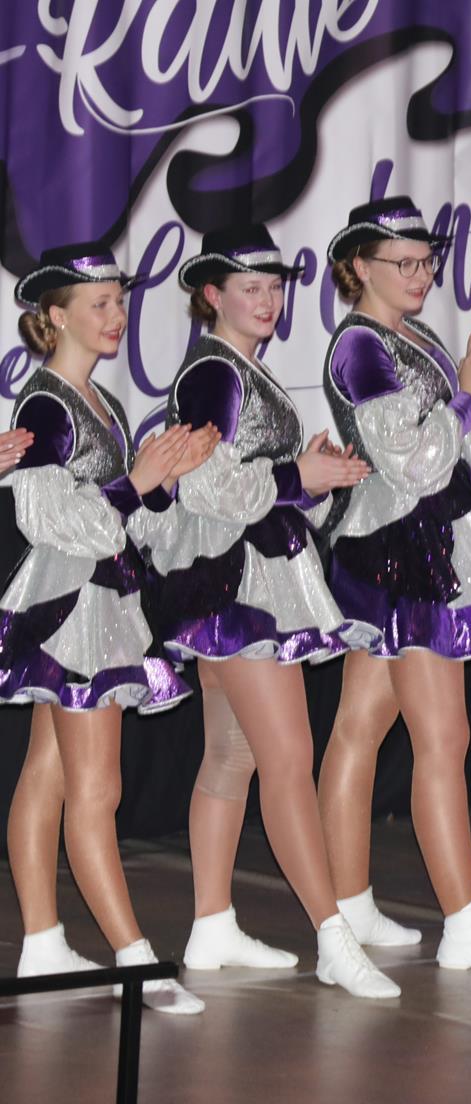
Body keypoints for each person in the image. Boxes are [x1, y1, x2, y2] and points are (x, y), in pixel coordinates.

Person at [144, 224, 399, 995]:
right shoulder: (215, 374)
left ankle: (211, 924)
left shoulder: (238, 370)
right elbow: (209, 486)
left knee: (233, 755)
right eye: (249, 287)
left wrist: (313, 477)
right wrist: (298, 477)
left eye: (274, 287)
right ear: (211, 294)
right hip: (235, 588)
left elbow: (251, 483)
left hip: (242, 580)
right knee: (287, 759)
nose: (267, 299)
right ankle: (332, 935)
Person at [316, 196, 471, 972]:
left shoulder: (415, 339)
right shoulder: (360, 347)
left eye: (427, 262)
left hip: (427, 542)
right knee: (442, 738)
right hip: (402, 551)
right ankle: (464, 923)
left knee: (361, 726)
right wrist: (466, 393)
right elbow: (414, 463)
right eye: (404, 263)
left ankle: (351, 902)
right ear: (360, 267)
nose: (421, 275)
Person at [3, 242, 213, 1011]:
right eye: (99, 304)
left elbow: (125, 524)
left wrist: (163, 484)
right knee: (96, 787)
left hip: (102, 603)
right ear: (55, 316)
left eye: (120, 301)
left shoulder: (106, 406)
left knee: (51, 773)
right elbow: (48, 520)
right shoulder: (45, 407)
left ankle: (41, 943)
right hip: (70, 608)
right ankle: (134, 959)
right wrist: (137, 484)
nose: (117, 315)